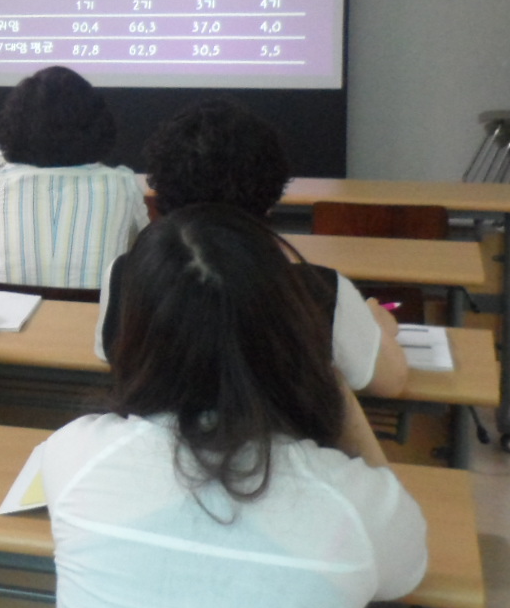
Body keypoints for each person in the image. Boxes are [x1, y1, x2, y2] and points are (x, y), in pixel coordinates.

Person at [38, 205, 428, 608]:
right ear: (290, 328)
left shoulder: (74, 454)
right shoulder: (352, 503)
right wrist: (336, 392)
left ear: (134, 333)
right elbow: (406, 572)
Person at [94, 99, 409, 397]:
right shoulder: (320, 292)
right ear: (272, 196)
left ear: (161, 193)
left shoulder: (123, 275)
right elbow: (390, 382)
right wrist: (376, 326)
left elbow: (111, 355)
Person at [0, 66, 147, 289]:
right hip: (97, 311)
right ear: (96, 125)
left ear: (15, 126)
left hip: (11, 308)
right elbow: (139, 246)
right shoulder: (123, 184)